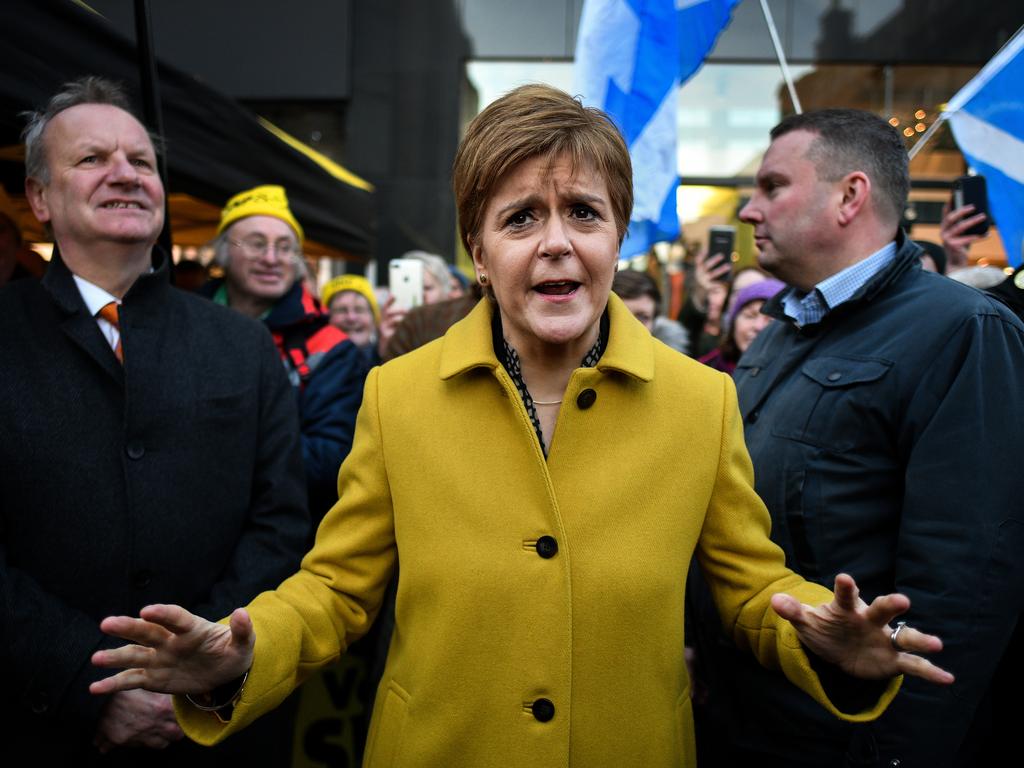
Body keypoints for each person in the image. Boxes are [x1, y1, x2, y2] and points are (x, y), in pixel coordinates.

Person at [90, 85, 952, 768]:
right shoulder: (397, 396)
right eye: (520, 218)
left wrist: (827, 642)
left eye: (583, 212)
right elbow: (337, 593)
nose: (555, 243)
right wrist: (240, 655)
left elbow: (749, 590)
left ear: (617, 236)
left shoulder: (701, 400)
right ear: (478, 248)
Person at [693, 108, 1024, 767]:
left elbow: (968, 581)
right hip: (745, 722)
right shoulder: (781, 332)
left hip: (846, 740)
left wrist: (897, 752)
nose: (750, 210)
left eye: (772, 186)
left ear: (850, 195)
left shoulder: (965, 332)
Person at [1, 76, 309, 765]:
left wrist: (199, 664)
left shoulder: (240, 344)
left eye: (141, 162)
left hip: (215, 727)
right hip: (40, 724)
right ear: (39, 198)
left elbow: (282, 518)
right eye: (92, 160)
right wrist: (90, 681)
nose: (126, 175)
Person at [207, 185, 367, 521]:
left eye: (284, 247)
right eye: (255, 244)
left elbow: (331, 460)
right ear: (222, 252)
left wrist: (215, 450)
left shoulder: (331, 347)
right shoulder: (179, 325)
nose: (271, 258)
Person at [698, 278, 784, 374]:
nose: (758, 326)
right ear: (734, 322)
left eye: (771, 321)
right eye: (750, 316)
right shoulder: (706, 368)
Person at [611, 268, 690, 353]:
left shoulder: (671, 360)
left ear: (654, 323)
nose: (631, 325)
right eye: (620, 315)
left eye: (642, 317)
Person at [322, 273, 382, 360]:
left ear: (373, 318)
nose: (351, 318)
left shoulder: (389, 361)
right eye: (341, 310)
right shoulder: (312, 364)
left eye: (359, 310)